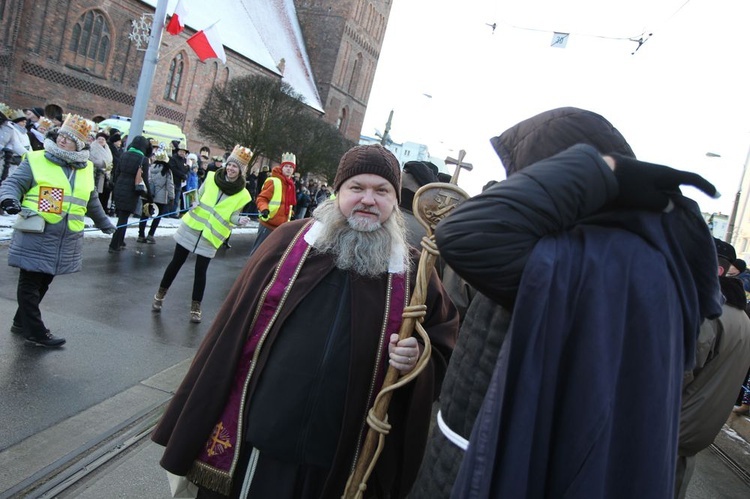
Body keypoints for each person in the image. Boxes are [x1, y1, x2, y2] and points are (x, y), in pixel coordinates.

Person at [433, 107, 722, 498]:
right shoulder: (563, 254)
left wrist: (603, 169)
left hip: (501, 467)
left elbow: (467, 234)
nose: (518, 186)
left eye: (526, 174)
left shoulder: (599, 265)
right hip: (463, 449)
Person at [151, 143, 459, 498]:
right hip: (260, 436)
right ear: (338, 192)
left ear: (394, 200)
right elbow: (232, 330)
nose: (368, 200)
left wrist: (416, 354)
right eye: (357, 188)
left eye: (381, 191)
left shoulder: (415, 273)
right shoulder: (289, 243)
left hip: (338, 453)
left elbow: (443, 344)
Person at [0, 114, 115, 347]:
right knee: (30, 283)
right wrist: (8, 199)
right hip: (36, 231)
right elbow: (13, 184)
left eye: (69, 138)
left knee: (43, 282)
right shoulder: (37, 159)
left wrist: (105, 223)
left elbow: (91, 200)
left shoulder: (85, 169)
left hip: (64, 238)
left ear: (80, 144)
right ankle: (35, 332)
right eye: (61, 136)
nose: (62, 141)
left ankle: (21, 322)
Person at [674, 237, 750, 498]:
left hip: (671, 426)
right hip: (698, 427)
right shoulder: (742, 317)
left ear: (716, 271)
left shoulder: (708, 312)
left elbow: (675, 376)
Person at [151, 145, 253, 323]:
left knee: (201, 272)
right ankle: (159, 295)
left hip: (210, 236)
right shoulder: (212, 177)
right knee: (176, 263)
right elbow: (198, 194)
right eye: (229, 164)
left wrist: (239, 221)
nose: (230, 169)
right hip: (192, 227)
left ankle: (195, 307)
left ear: (241, 171)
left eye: (235, 167)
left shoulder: (243, 194)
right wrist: (193, 202)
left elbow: (233, 216)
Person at [109, 135, 152, 253]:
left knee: (121, 217)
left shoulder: (124, 154)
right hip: (132, 190)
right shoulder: (143, 159)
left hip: (119, 187)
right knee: (123, 219)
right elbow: (145, 178)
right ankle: (114, 245)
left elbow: (116, 172)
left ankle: (120, 241)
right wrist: (149, 194)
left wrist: (116, 185)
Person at [249, 151, 297, 254]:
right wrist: (264, 209)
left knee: (269, 256)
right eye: (286, 166)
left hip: (280, 227)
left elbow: (286, 204)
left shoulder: (290, 185)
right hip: (268, 223)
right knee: (257, 253)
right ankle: (250, 270)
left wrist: (290, 214)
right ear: (282, 168)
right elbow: (261, 198)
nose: (289, 169)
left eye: (291, 167)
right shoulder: (273, 181)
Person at [137, 148, 174, 244]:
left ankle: (141, 235)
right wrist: (172, 197)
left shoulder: (149, 167)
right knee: (157, 217)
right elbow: (170, 185)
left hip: (148, 196)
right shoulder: (167, 170)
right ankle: (150, 235)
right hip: (160, 198)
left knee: (144, 215)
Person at [89, 131, 114, 213]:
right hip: (95, 172)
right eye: (99, 139)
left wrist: (107, 166)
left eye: (103, 139)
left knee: (102, 194)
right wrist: (104, 164)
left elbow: (110, 160)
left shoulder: (107, 149)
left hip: (105, 174)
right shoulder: (92, 147)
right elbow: (91, 159)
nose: (101, 140)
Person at [169, 140, 189, 218]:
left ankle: (173, 213)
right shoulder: (173, 159)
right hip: (173, 181)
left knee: (177, 199)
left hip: (180, 182)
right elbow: (173, 169)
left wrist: (186, 169)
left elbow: (186, 169)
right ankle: (168, 212)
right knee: (171, 198)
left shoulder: (184, 160)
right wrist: (182, 174)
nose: (182, 153)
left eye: (184, 152)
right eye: (181, 151)